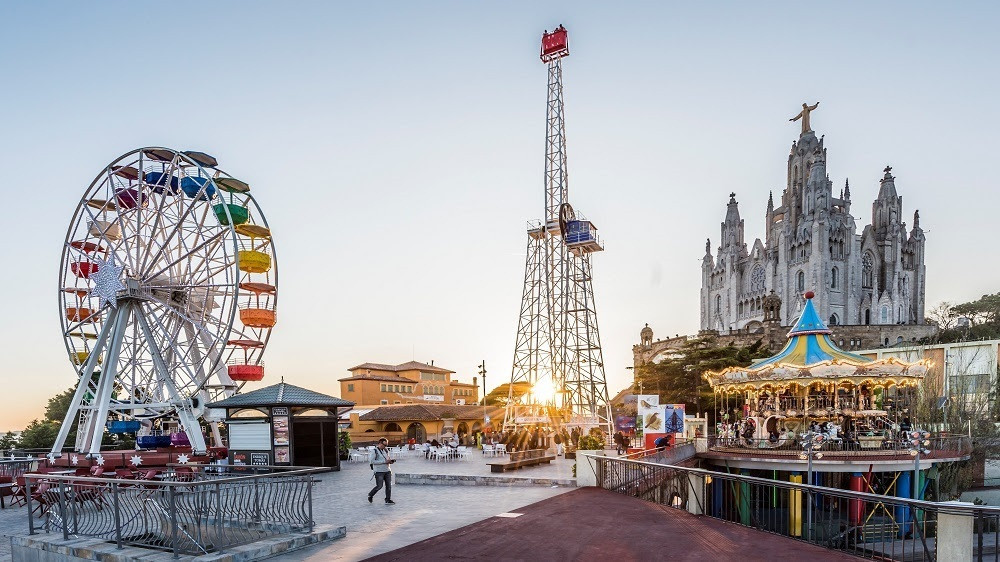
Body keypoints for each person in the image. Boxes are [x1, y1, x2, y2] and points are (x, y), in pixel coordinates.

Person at [368, 438, 396, 504]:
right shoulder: (374, 451)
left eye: (386, 445)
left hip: (387, 470)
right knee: (379, 486)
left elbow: (387, 459)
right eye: (384, 445)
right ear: (380, 443)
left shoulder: (386, 450)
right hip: (379, 471)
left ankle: (388, 499)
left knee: (389, 486)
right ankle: (370, 495)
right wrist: (384, 461)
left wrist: (390, 461)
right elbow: (372, 461)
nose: (385, 446)